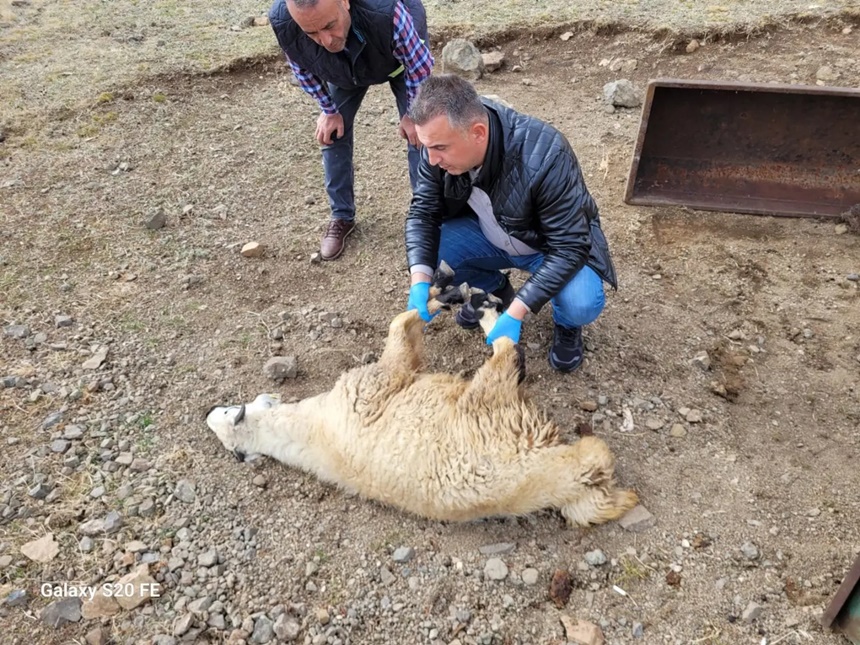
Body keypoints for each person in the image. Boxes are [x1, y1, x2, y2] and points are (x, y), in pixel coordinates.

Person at [404, 74, 617, 373]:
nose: (431, 159)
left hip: (548, 246)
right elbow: (422, 213)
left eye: (440, 148)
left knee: (580, 302)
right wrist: (420, 282)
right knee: (431, 256)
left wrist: (518, 314)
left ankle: (566, 324)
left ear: (478, 133)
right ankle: (495, 291)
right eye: (426, 147)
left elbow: (569, 247)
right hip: (490, 235)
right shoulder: (438, 152)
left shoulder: (545, 154)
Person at [270, 0, 434, 260]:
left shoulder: (389, 13)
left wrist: (413, 113)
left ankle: (427, 219)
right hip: (346, 70)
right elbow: (301, 68)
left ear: (344, 2)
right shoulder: (285, 22)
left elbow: (420, 65)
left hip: (400, 62)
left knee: (421, 134)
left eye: (329, 25)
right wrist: (329, 110)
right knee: (332, 134)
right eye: (311, 33)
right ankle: (342, 216)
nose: (325, 40)